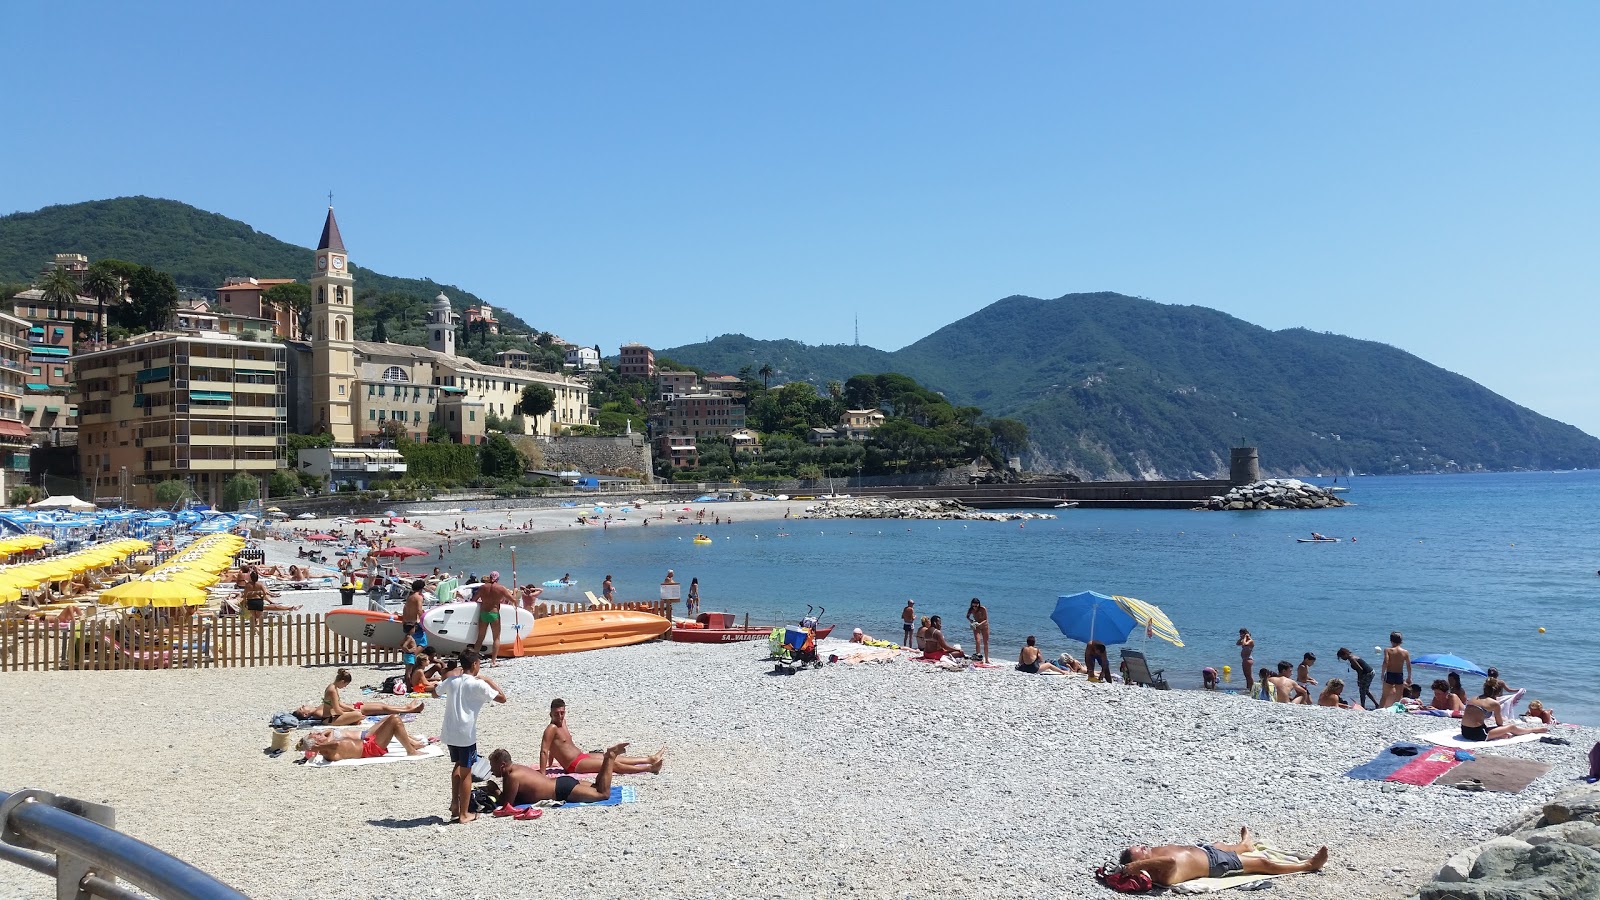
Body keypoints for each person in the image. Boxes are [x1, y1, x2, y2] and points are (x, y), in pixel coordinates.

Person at [1117, 827, 1328, 887]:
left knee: (1220, 845)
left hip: (1205, 851)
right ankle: (1308, 865)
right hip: (1215, 864)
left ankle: (1245, 845)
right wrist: (1133, 868)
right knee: (1262, 863)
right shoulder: (1161, 874)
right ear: (1139, 864)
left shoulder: (1153, 854)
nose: (1144, 847)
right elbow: (1172, 861)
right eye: (1141, 851)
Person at [435, 650, 507, 823]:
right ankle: (464, 813)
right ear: (475, 664)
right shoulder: (478, 684)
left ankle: (455, 804)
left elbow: (435, 693)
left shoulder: (452, 681)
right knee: (467, 772)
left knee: (458, 765)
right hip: (465, 734)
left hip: (449, 731)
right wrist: (488, 680)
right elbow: (502, 698)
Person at [539, 699, 664, 774]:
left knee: (610, 757)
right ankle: (649, 769)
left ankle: (649, 759)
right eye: (556, 714)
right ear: (550, 713)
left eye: (562, 713)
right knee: (610, 764)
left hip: (581, 756)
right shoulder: (551, 729)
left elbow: (556, 746)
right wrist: (543, 773)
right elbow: (545, 750)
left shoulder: (563, 723)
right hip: (573, 765)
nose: (560, 716)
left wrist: (551, 763)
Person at [490, 743, 632, 809]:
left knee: (603, 794)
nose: (491, 770)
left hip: (561, 791)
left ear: (502, 765)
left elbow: (507, 804)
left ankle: (610, 758)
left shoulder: (512, 776)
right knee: (597, 787)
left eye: (493, 766)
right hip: (561, 782)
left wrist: (494, 790)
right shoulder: (517, 768)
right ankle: (608, 758)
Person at [296, 669, 421, 725]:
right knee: (381, 708)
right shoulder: (319, 709)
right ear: (306, 715)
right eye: (302, 709)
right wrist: (354, 712)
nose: (303, 706)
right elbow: (338, 710)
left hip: (348, 709)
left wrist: (352, 709)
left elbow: (338, 705)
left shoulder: (332, 688)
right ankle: (409, 709)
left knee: (382, 706)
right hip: (334, 719)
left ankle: (406, 708)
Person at [300, 714, 431, 762]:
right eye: (316, 735)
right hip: (370, 749)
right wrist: (317, 747)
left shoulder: (326, 745)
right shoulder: (327, 750)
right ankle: (411, 750)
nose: (319, 734)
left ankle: (411, 745)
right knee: (394, 719)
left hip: (368, 743)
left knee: (392, 719)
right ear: (316, 743)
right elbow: (336, 746)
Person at [1460, 678, 1547, 742]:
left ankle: (1499, 735)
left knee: (1499, 729)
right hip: (1477, 734)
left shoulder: (1473, 698)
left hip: (1464, 731)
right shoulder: (1494, 703)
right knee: (1511, 727)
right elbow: (1500, 723)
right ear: (1498, 692)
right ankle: (1533, 730)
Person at [471, 572, 514, 667]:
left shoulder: (483, 587)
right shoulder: (500, 588)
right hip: (494, 614)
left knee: (480, 637)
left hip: (483, 613)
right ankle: (493, 662)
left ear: (489, 577)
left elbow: (474, 599)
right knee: (496, 638)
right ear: (498, 578)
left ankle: (473, 661)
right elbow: (512, 599)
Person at [402, 579, 427, 682]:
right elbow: (419, 610)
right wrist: (424, 623)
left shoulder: (410, 597)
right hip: (415, 624)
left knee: (412, 643)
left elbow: (404, 609)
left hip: (407, 623)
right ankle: (413, 663)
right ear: (421, 588)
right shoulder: (418, 597)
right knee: (422, 643)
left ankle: (411, 664)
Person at [1379, 631, 1412, 708]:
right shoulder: (1405, 652)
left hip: (1390, 673)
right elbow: (1408, 665)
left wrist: (1382, 673)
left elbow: (1385, 662)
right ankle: (1395, 710)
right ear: (1401, 641)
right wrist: (1409, 676)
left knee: (1384, 695)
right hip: (1399, 674)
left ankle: (1380, 709)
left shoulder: (1388, 650)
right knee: (1398, 696)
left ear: (1391, 640)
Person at [965, 597, 990, 662]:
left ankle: (987, 659)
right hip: (976, 625)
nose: (974, 607)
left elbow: (986, 619)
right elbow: (967, 616)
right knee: (977, 641)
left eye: (976, 606)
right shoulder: (971, 609)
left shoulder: (982, 609)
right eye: (973, 606)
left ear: (979, 604)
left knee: (986, 642)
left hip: (984, 625)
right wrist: (971, 620)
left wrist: (980, 624)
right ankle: (978, 657)